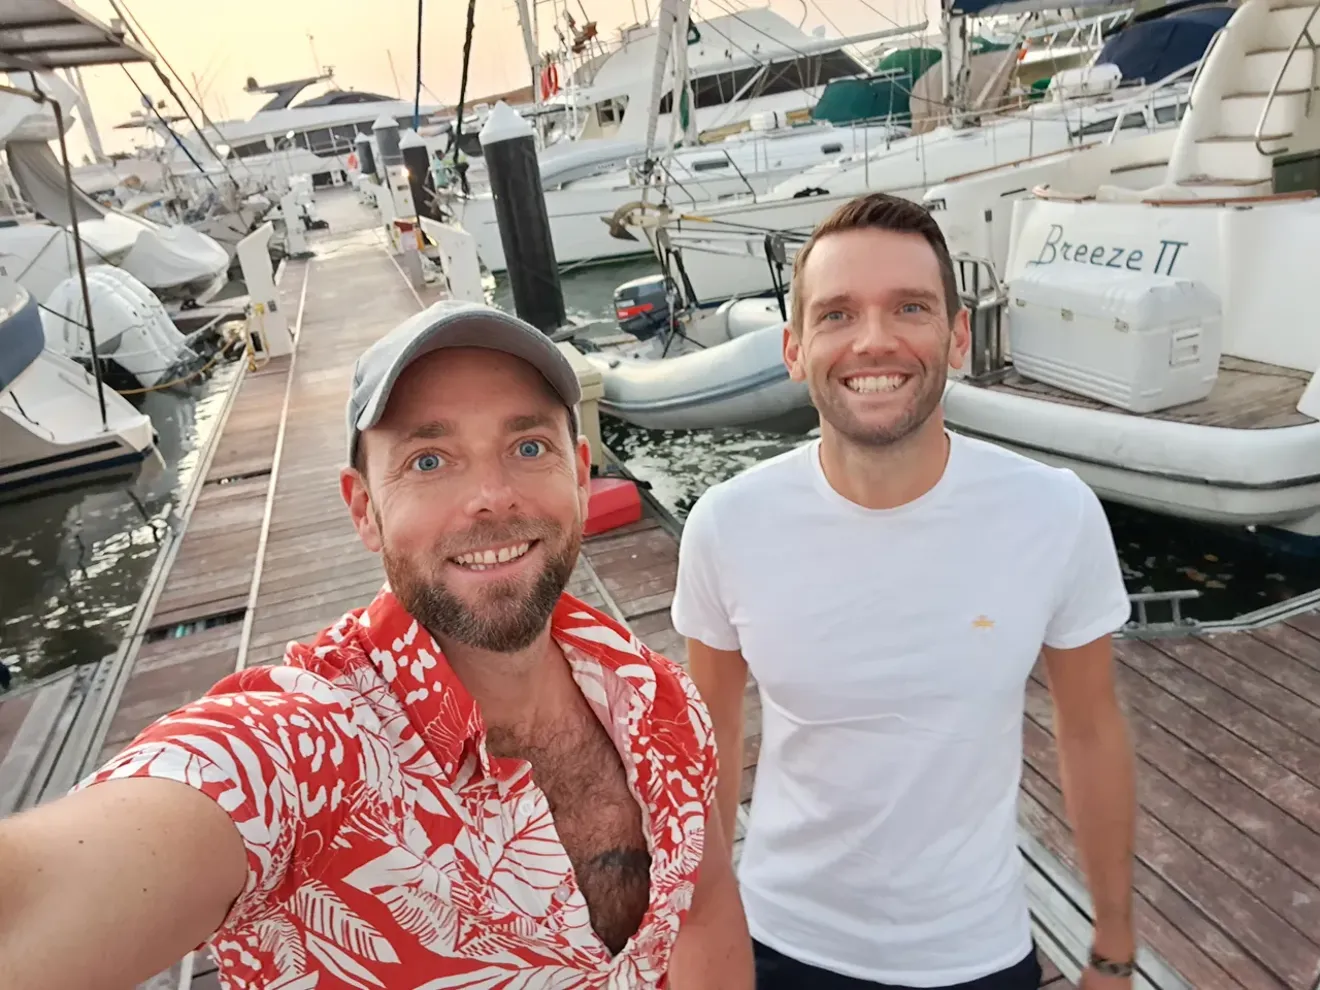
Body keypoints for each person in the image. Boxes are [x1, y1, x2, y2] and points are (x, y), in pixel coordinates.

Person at [0, 301, 754, 990]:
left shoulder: (655, 697)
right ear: (364, 510)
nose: (491, 495)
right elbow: (48, 895)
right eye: (429, 461)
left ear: (581, 477)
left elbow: (703, 906)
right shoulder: (303, 751)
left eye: (527, 447)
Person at [672, 193, 1138, 990]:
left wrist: (1114, 946)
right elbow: (707, 746)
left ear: (957, 337)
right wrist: (701, 942)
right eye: (838, 314)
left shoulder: (1053, 513)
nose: (875, 340)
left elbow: (1090, 728)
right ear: (793, 348)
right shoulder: (726, 525)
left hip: (977, 950)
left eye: (910, 308)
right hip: (783, 941)